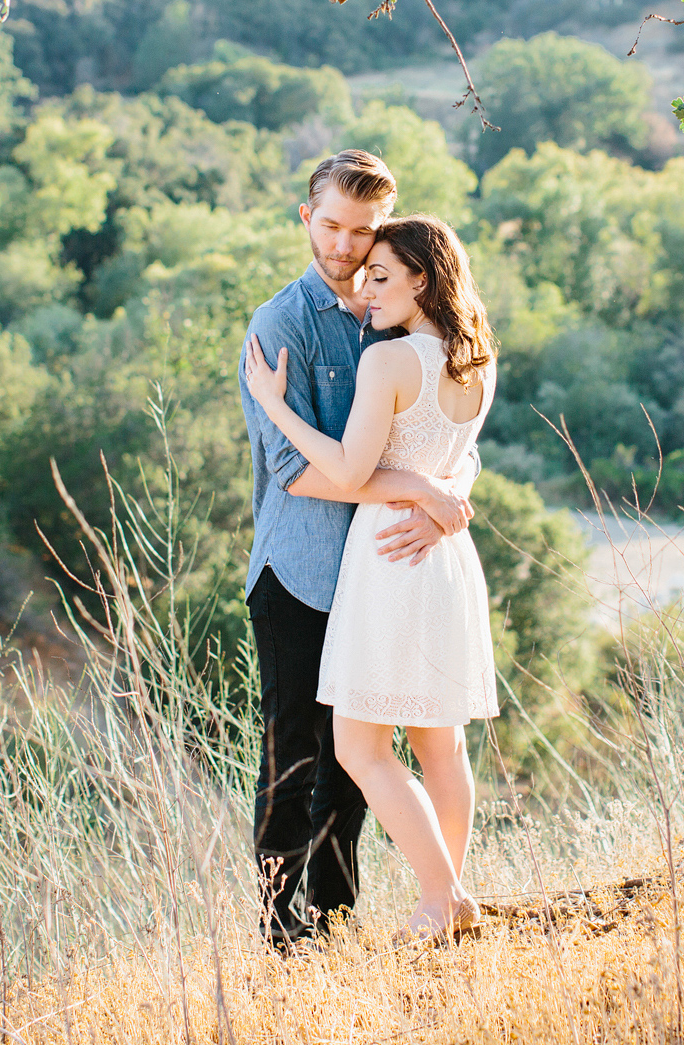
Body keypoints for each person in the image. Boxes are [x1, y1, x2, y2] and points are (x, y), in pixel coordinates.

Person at [238, 152, 478, 948]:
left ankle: (335, 924)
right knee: (296, 753)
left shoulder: (396, 316)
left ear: (389, 239)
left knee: (355, 767)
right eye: (331, 225)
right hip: (303, 571)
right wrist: (427, 492)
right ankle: (280, 930)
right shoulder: (281, 325)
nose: (344, 247)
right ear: (305, 216)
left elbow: (449, 435)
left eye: (363, 233)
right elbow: (296, 471)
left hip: (388, 567)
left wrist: (449, 491)